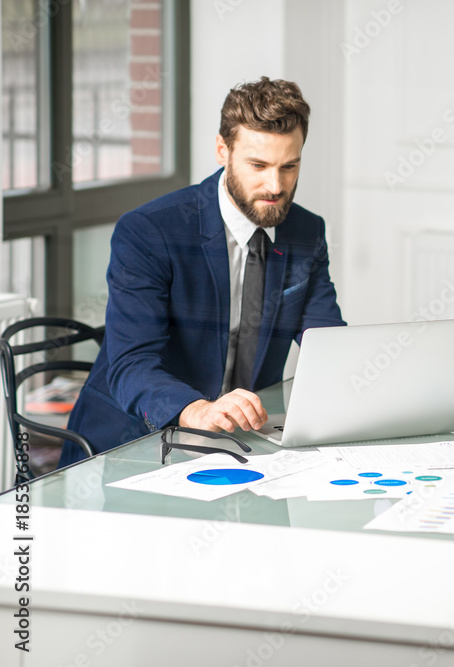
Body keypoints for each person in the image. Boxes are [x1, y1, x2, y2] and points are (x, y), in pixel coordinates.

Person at [61, 77, 346, 466]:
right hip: (136, 442)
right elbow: (132, 364)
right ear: (222, 150)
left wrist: (372, 382)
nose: (275, 185)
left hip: (242, 442)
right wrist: (196, 409)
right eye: (258, 165)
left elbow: (327, 343)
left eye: (289, 166)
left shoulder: (305, 231)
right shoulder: (149, 231)